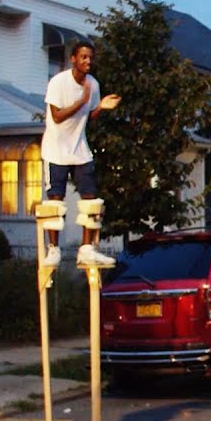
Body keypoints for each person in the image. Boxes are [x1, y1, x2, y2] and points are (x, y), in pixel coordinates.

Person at [39, 40, 121, 267]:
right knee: (55, 200)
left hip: (80, 148)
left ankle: (86, 249)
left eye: (90, 58)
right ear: (73, 59)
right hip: (56, 150)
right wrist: (81, 101)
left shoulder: (93, 84)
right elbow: (57, 116)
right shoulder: (58, 82)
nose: (88, 61)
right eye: (83, 57)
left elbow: (87, 116)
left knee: (91, 200)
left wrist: (100, 108)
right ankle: (53, 249)